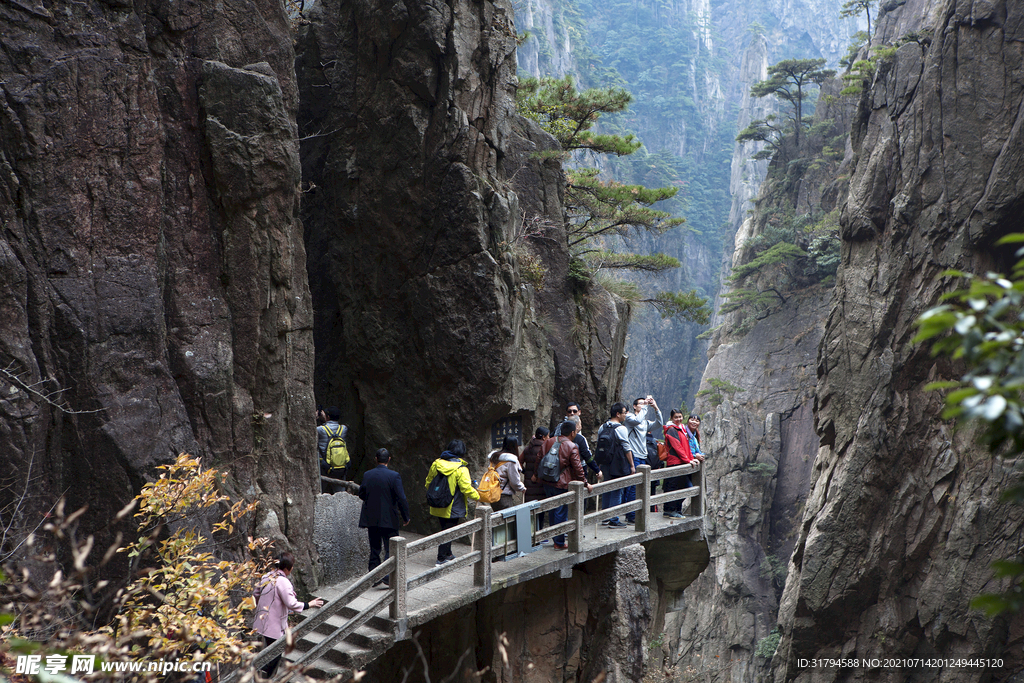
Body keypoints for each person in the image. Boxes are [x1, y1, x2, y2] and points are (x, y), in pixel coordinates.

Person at [253, 552, 325, 677]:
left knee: (269, 652)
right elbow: (291, 603)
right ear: (286, 568)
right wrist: (310, 604)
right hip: (274, 626)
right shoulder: (283, 581)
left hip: (262, 620)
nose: (292, 569)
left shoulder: (267, 576)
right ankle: (262, 674)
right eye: (291, 567)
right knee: (274, 655)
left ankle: (261, 673)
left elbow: (256, 594)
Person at [358, 448, 411, 587]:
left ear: (376, 459)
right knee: (390, 548)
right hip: (389, 518)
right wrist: (406, 516)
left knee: (374, 547)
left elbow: (361, 493)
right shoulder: (394, 476)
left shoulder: (367, 474)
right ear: (389, 459)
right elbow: (401, 498)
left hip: (371, 517)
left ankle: (374, 577)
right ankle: (387, 575)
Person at [425, 439, 480, 566]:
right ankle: (441, 557)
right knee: (449, 531)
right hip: (452, 506)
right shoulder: (461, 468)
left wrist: (437, 495)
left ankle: (448, 553)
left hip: (438, 503)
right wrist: (478, 496)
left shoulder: (436, 463)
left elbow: (428, 481)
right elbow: (466, 488)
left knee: (444, 528)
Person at [539, 421, 593, 550]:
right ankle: (559, 542)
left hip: (547, 481)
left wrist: (537, 475)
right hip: (561, 483)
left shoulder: (548, 441)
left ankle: (555, 538)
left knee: (552, 510)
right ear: (573, 432)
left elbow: (539, 459)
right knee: (561, 512)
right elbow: (578, 468)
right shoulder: (571, 445)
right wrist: (585, 483)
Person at [622, 395, 663, 524]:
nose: (643, 405)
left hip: (642, 456)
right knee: (632, 487)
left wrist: (655, 408)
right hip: (633, 455)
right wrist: (646, 406)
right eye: (640, 404)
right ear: (634, 406)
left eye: (643, 404)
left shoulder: (645, 422)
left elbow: (659, 423)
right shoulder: (630, 418)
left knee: (639, 486)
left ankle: (633, 513)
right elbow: (637, 421)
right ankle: (631, 515)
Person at [596, 402, 634, 528]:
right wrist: (632, 465)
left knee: (607, 488)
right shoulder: (620, 429)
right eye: (624, 413)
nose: (625, 415)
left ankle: (605, 517)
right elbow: (626, 448)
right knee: (617, 490)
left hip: (605, 463)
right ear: (618, 414)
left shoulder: (603, 427)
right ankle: (614, 519)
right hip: (617, 464)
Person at [663, 409, 704, 518]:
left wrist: (691, 458)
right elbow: (677, 447)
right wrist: (688, 460)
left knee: (680, 487)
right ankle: (671, 510)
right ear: (672, 418)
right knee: (674, 487)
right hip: (675, 462)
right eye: (676, 417)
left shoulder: (681, 429)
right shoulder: (671, 430)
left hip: (681, 462)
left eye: (680, 417)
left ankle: (675, 510)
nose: (678, 419)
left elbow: (686, 448)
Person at [554, 402, 603, 477]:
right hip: (577, 467)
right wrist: (597, 470)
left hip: (560, 468)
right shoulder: (579, 439)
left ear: (579, 412)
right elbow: (586, 455)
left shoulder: (557, 436)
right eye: (569, 411)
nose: (572, 413)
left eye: (574, 411)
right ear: (576, 426)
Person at [520, 427, 550, 542]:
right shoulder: (545, 448)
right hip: (540, 484)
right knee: (540, 510)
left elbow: (519, 461)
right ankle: (539, 536)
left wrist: (525, 472)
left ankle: (530, 536)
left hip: (529, 483)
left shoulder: (528, 448)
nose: (549, 438)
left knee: (530, 511)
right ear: (543, 437)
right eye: (547, 436)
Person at [317, 406, 349, 492]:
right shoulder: (344, 429)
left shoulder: (320, 430)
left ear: (327, 417)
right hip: (340, 466)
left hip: (324, 466)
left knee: (320, 491)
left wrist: (317, 417)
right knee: (340, 492)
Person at [490, 436, 526, 511]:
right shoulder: (511, 461)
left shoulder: (495, 457)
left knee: (497, 520)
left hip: (492, 494)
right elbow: (514, 481)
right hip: (504, 495)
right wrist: (522, 488)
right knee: (507, 520)